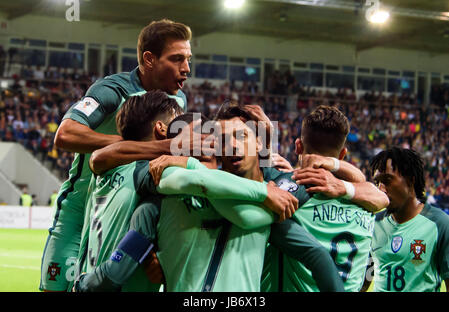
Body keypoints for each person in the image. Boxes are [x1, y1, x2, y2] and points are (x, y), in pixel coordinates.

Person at [73, 106, 303, 292]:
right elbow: (118, 268)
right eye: (188, 145)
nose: (200, 148)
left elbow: (312, 253)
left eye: (206, 140)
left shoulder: (259, 186)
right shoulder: (161, 194)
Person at [40, 18, 193, 292]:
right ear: (149, 59)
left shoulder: (178, 102)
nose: (186, 69)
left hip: (132, 216)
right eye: (177, 59)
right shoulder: (113, 90)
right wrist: (127, 145)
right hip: (82, 210)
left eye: (188, 59)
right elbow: (65, 135)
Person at [268, 105, 389, 292]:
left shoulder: (286, 200)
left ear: (298, 146)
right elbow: (368, 271)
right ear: (342, 155)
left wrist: (285, 175)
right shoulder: (366, 205)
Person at [363, 147, 449, 292]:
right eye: (377, 182)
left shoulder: (439, 224)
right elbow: (365, 280)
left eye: (387, 180)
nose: (381, 189)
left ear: (410, 181)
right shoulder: (373, 224)